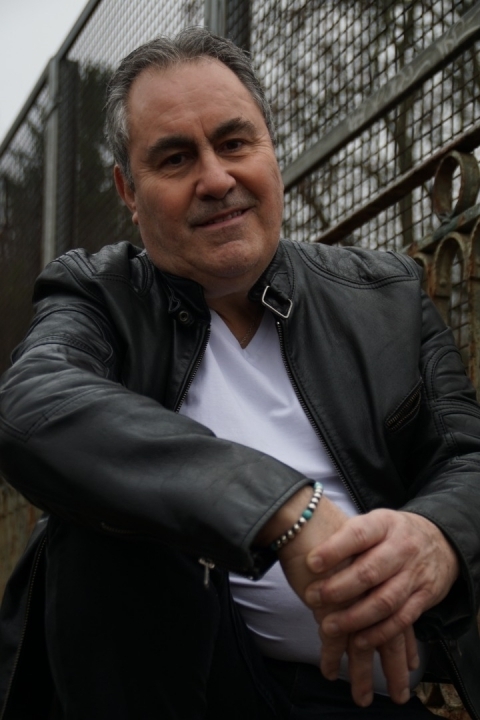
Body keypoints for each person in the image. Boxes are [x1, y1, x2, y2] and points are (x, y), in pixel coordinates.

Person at [0, 27, 480, 720]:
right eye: (175, 158)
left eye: (234, 143)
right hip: (198, 693)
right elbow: (33, 404)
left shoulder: (389, 296)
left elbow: (467, 457)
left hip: (375, 696)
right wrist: (285, 511)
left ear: (270, 150)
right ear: (128, 190)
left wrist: (436, 537)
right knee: (104, 527)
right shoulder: (99, 295)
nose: (216, 179)